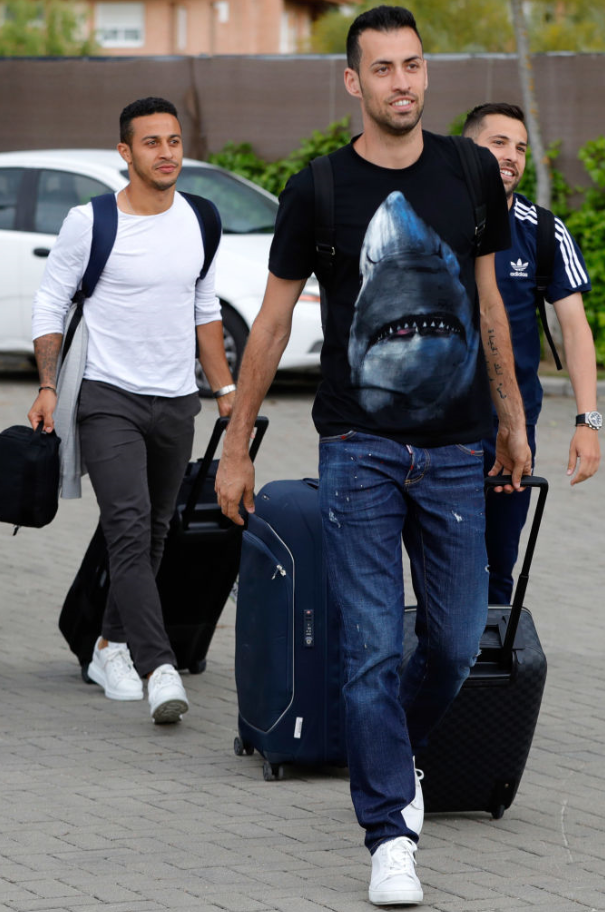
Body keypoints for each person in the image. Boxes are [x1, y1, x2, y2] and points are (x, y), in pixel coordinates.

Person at [216, 6, 531, 905]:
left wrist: (511, 420)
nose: (402, 82)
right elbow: (271, 323)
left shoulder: (471, 171)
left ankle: (394, 753)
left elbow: (488, 303)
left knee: (456, 642)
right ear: (353, 81)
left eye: (413, 65)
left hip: (458, 451)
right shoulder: (316, 187)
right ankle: (389, 830)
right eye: (383, 68)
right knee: (366, 652)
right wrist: (236, 447)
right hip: (357, 449)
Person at [28, 96, 236, 724]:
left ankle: (109, 645)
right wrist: (48, 386)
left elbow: (205, 308)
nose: (166, 153)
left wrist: (227, 393)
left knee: (154, 532)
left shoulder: (201, 218)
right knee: (128, 524)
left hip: (175, 400)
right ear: (125, 152)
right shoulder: (90, 221)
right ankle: (158, 665)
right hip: (106, 397)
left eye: (173, 141)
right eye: (151, 142)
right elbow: (50, 303)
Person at [462, 103, 600, 604]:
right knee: (440, 561)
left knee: (498, 565)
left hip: (513, 430)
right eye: (498, 142)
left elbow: (576, 329)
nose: (512, 156)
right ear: (468, 149)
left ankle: (490, 651)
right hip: (438, 431)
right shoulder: (436, 219)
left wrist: (588, 421)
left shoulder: (543, 231)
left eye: (520, 147)